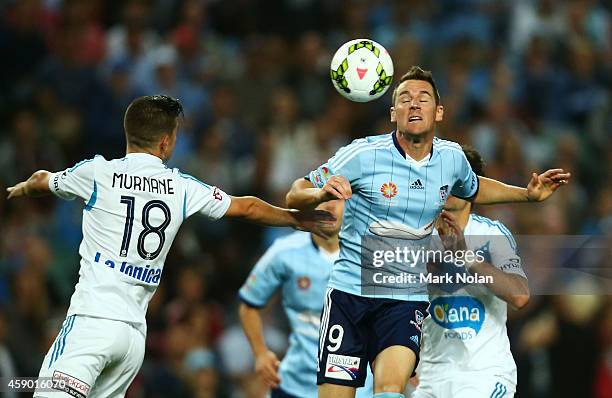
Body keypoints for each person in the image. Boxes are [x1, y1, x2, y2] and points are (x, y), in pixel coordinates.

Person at [6, 95, 332, 398]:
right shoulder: (181, 186)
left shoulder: (97, 172)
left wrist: (22, 189)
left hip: (92, 321)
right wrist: (296, 219)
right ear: (165, 142)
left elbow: (42, 181)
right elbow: (245, 207)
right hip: (132, 339)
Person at [285, 66, 570, 398]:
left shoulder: (470, 195)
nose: (414, 104)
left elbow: (477, 191)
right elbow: (297, 196)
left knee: (389, 388)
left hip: (449, 345)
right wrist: (320, 196)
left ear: (439, 111)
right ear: (393, 112)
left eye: (423, 98)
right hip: (381, 328)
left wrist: (524, 196)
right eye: (405, 99)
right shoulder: (370, 165)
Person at [414, 146, 529, 398]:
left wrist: (465, 257)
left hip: (484, 374)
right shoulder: (415, 237)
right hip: (430, 375)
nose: (450, 186)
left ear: (473, 187)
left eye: (459, 178)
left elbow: (519, 295)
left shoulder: (492, 234)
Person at [238, 200, 373, 398]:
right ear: (307, 205)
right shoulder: (284, 251)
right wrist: (260, 353)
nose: (329, 206)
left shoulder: (374, 255)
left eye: (336, 199)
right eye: (320, 199)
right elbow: (248, 305)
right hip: (295, 386)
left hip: (358, 388)